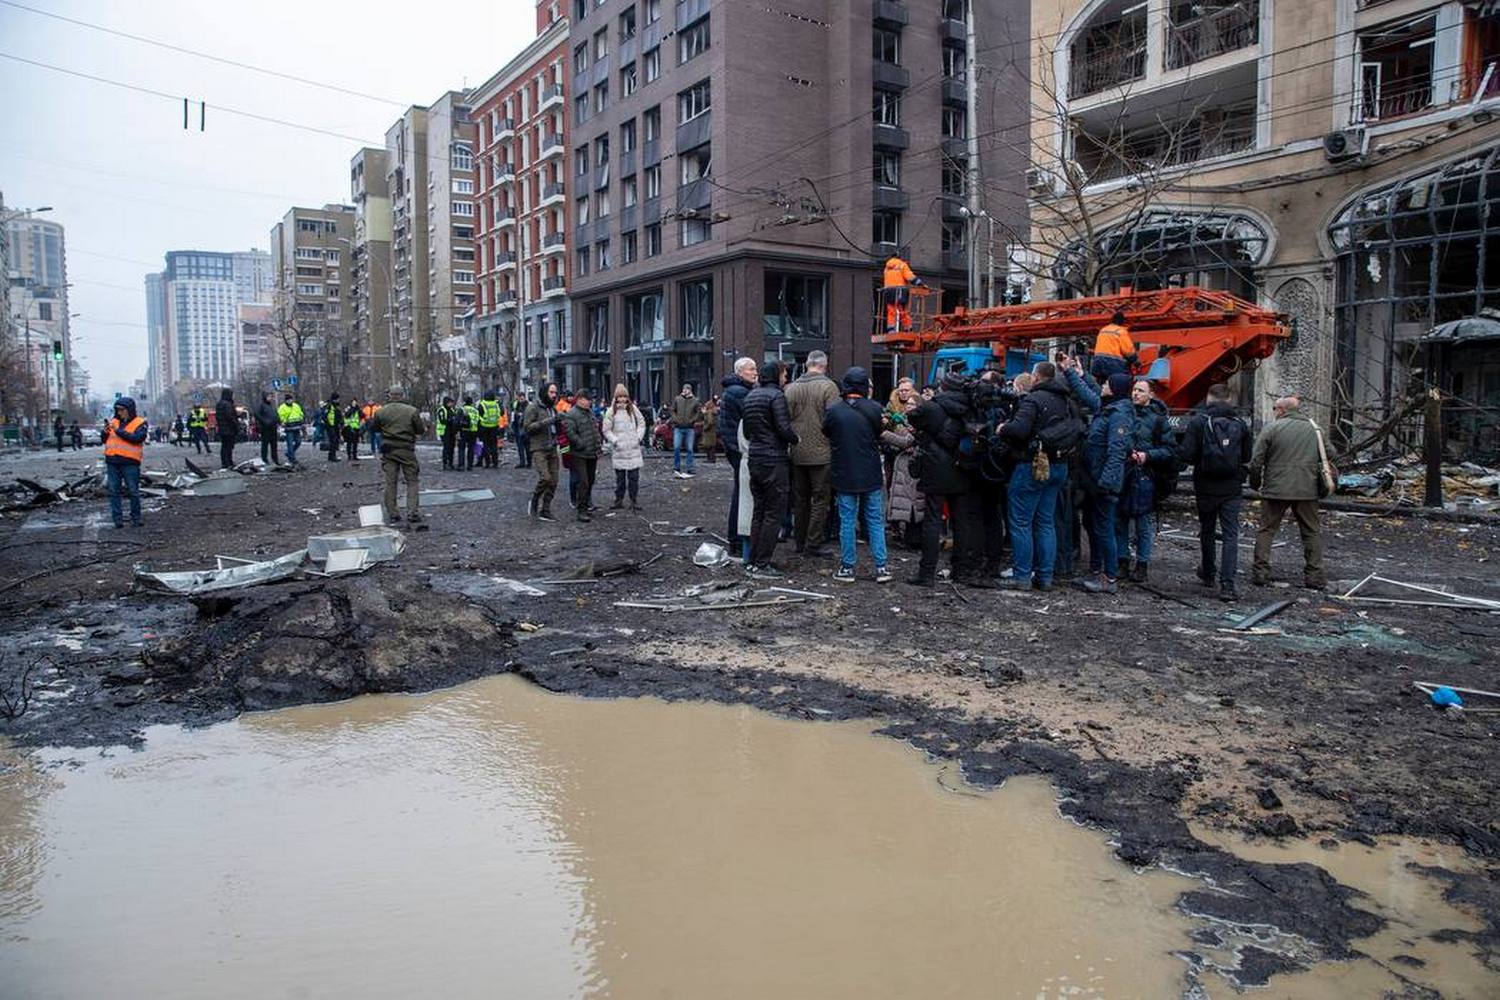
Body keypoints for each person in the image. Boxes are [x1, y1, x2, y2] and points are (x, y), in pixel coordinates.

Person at [996, 361, 1080, 592]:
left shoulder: (1033, 400)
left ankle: (1022, 575)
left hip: (1033, 464)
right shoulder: (1066, 401)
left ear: (1036, 376)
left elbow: (1020, 430)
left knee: (1021, 521)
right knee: (1046, 522)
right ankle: (1045, 576)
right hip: (1059, 465)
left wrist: (1003, 428)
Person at [908, 371, 991, 589]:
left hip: (936, 468)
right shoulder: (971, 408)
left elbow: (912, 417)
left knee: (933, 520)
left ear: (943, 387)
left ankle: (927, 573)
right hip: (962, 467)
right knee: (961, 522)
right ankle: (960, 570)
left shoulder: (931, 407)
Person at [1177, 382, 1251, 601]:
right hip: (1232, 486)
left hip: (1205, 485)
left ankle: (1208, 572)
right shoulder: (1240, 423)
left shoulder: (1199, 422)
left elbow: (1187, 454)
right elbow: (1246, 456)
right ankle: (1228, 584)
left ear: (1209, 398)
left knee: (1207, 529)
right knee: (1230, 535)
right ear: (1229, 400)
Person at [1065, 366, 1135, 594]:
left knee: (1104, 528)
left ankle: (1109, 577)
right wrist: (1073, 373)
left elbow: (1117, 451)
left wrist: (1106, 482)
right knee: (1093, 526)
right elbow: (1089, 393)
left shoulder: (1119, 415)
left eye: (1106, 384)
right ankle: (1096, 571)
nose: (1102, 386)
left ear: (1114, 389)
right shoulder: (1108, 409)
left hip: (1102, 484)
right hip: (1093, 480)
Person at [1249, 395, 1327, 590]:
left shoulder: (1272, 429)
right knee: (1311, 532)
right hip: (1306, 489)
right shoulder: (1314, 429)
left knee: (1267, 530)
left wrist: (1255, 483)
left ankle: (1261, 572)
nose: (1274, 412)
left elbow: (1257, 459)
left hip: (1276, 489)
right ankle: (1314, 576)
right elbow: (1330, 455)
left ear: (1282, 410)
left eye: (1275, 408)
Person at [824, 367, 893, 584]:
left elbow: (826, 432)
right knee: (874, 519)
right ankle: (881, 567)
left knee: (847, 520)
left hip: (844, 472)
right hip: (870, 471)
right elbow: (880, 433)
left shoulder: (834, 411)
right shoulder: (875, 408)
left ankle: (847, 567)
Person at [741, 360, 799, 578]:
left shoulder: (751, 396)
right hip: (774, 460)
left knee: (759, 511)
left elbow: (747, 431)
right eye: (784, 374)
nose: (785, 378)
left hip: (755, 458)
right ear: (776, 376)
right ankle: (763, 563)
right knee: (774, 513)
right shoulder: (777, 396)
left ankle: (752, 560)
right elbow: (784, 428)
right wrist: (796, 438)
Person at [1115, 379, 1175, 583]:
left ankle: (1142, 565)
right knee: (1121, 519)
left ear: (1151, 394)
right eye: (1134, 390)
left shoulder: (1158, 420)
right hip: (1125, 472)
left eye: (1140, 391)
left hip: (1145, 475)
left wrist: (1147, 456)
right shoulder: (1124, 414)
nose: (1135, 394)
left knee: (1143, 523)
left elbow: (1169, 450)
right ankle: (1122, 561)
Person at [785, 349, 840, 558]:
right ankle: (813, 543)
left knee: (800, 499)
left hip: (797, 452)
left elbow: (785, 420)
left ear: (807, 364)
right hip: (822, 452)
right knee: (820, 498)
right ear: (824, 366)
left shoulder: (791, 389)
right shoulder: (829, 387)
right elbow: (834, 419)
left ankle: (799, 541)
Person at [368, 386, 426, 524]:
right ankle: (412, 512)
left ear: (390, 396)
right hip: (406, 449)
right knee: (412, 481)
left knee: (390, 482)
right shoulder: (412, 411)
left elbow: (375, 428)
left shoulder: (381, 412)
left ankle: (393, 513)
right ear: (402, 396)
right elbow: (420, 430)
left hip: (389, 450)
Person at [719, 357, 757, 561]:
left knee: (740, 493)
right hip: (740, 450)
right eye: (751, 369)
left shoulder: (734, 391)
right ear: (740, 372)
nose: (755, 372)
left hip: (735, 448)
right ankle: (737, 538)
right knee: (742, 495)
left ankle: (737, 538)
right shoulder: (739, 393)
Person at [882, 391, 924, 549]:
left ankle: (914, 539)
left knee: (913, 501)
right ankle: (906, 535)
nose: (909, 406)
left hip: (912, 465)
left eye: (913, 404)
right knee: (905, 500)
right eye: (908, 404)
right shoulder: (905, 420)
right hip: (902, 464)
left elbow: (907, 442)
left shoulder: (918, 422)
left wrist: (885, 435)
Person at [102, 397, 148, 528]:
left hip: (130, 462)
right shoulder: (114, 422)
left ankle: (136, 518)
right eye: (117, 410)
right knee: (113, 491)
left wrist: (118, 431)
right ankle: (117, 520)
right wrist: (105, 433)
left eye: (122, 410)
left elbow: (138, 438)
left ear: (129, 410)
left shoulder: (140, 422)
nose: (119, 412)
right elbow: (105, 440)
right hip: (112, 461)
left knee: (133, 491)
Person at [560, 387, 603, 521]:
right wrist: (580, 444)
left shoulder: (589, 413)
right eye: (586, 400)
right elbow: (570, 432)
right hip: (579, 454)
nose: (589, 402)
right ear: (579, 399)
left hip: (592, 453)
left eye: (590, 400)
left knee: (590, 481)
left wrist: (598, 445)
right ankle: (581, 510)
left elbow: (595, 430)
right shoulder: (572, 414)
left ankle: (586, 504)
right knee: (583, 481)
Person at [603, 383, 648, 511]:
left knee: (634, 479)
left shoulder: (633, 409)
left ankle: (634, 501)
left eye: (624, 396)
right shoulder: (611, 411)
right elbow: (606, 430)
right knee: (620, 479)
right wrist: (615, 441)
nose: (622, 399)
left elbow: (642, 423)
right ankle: (619, 500)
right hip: (620, 450)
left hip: (633, 450)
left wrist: (638, 437)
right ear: (616, 397)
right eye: (620, 396)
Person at [523, 383, 563, 521]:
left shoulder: (553, 408)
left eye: (555, 393)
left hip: (552, 447)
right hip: (538, 448)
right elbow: (527, 428)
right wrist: (548, 421)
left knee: (554, 481)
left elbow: (557, 426)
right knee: (545, 478)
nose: (554, 395)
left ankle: (545, 509)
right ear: (544, 392)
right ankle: (534, 499)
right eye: (551, 392)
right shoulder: (533, 407)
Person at [882, 252, 925, 334]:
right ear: (899, 257)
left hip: (888, 291)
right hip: (899, 290)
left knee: (891, 310)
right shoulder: (902, 265)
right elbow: (910, 277)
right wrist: (920, 283)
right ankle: (908, 328)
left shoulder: (887, 268)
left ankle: (891, 329)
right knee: (901, 310)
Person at [1091, 310, 1136, 382]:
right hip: (1113, 363)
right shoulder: (1121, 331)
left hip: (1097, 362)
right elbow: (1128, 351)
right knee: (1121, 381)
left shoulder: (1103, 329)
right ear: (1122, 321)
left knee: (1101, 384)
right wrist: (1135, 361)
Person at [671, 383, 701, 478]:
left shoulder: (695, 401)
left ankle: (690, 468)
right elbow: (672, 410)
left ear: (690, 390)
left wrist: (692, 420)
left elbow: (698, 412)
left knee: (690, 449)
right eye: (683, 389)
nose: (684, 391)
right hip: (678, 427)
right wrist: (675, 419)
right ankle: (676, 467)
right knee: (676, 447)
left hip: (689, 428)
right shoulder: (677, 399)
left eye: (686, 389)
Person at [214, 388, 239, 469]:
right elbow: (230, 416)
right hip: (229, 429)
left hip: (222, 429)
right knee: (229, 446)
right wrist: (236, 424)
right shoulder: (228, 404)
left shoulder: (219, 404)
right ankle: (228, 462)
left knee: (224, 446)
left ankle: (224, 462)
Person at [477, 390, 502, 468]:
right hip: (494, 427)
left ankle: (487, 462)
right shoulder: (496, 405)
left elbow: (478, 415)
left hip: (484, 427)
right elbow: (500, 413)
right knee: (494, 446)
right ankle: (495, 462)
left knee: (485, 445)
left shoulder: (482, 404)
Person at [278, 393, 304, 465]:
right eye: (288, 400)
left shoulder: (296, 406)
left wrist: (301, 420)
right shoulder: (282, 408)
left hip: (296, 427)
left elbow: (301, 414)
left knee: (298, 442)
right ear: (286, 400)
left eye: (291, 399)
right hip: (288, 428)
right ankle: (292, 458)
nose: (290, 401)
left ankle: (289, 453)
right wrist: (283, 422)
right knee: (289, 444)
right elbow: (280, 417)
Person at [255, 392, 281, 466]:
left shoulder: (271, 406)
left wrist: (278, 420)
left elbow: (275, 414)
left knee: (274, 445)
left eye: (271, 397)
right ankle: (264, 459)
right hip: (265, 428)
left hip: (273, 427)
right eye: (269, 397)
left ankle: (275, 459)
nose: (270, 398)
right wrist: (264, 421)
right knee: (265, 445)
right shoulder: (261, 405)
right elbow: (257, 414)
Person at [436, 395, 459, 470]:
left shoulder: (451, 410)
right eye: (450, 403)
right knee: (446, 448)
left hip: (451, 431)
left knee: (452, 448)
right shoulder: (442, 410)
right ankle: (445, 463)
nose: (451, 404)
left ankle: (450, 463)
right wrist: (451, 420)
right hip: (445, 431)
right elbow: (443, 421)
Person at [458, 395, 479, 471]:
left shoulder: (462, 409)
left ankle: (461, 465)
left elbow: (457, 421)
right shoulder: (475, 410)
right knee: (471, 449)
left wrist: (457, 430)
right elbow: (478, 421)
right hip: (473, 431)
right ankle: (470, 465)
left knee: (462, 449)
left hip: (464, 431)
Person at [511, 397, 532, 468]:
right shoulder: (516, 405)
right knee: (520, 447)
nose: (520, 400)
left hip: (525, 428)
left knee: (527, 447)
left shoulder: (528, 406)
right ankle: (522, 462)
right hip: (518, 428)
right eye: (519, 399)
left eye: (522, 398)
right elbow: (513, 417)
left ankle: (529, 462)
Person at [322, 393, 342, 462]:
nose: (338, 400)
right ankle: (332, 456)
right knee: (333, 441)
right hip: (330, 425)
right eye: (337, 399)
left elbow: (339, 415)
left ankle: (332, 455)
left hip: (335, 425)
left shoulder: (336, 406)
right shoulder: (329, 406)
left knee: (335, 441)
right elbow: (325, 415)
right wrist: (328, 424)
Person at [700, 396, 720, 463]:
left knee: (710, 446)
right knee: (710, 446)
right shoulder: (711, 412)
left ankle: (711, 459)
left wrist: (705, 428)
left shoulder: (709, 413)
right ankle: (711, 458)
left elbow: (710, 422)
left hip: (709, 432)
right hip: (711, 431)